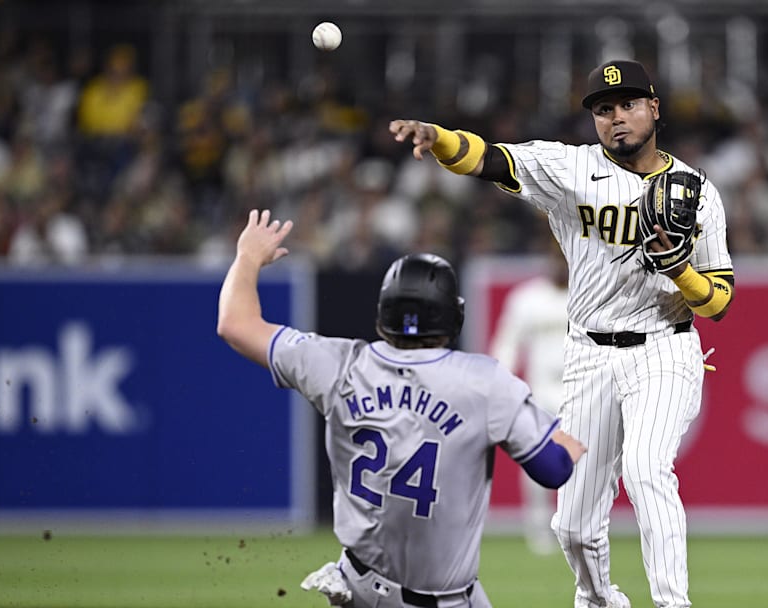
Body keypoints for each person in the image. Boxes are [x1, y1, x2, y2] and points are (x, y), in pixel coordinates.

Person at [389, 59, 735, 608]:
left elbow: (718, 300)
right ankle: (599, 599)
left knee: (647, 472)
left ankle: (674, 603)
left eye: (627, 105)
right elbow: (489, 158)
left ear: (654, 108)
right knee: (571, 524)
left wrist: (680, 271)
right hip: (589, 356)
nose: (616, 118)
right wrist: (439, 138)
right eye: (603, 109)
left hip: (664, 348)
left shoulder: (697, 191)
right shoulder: (570, 169)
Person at [216, 209, 588, 608]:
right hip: (442, 599)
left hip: (357, 587)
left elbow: (234, 324)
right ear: (453, 316)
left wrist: (248, 257)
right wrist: (573, 439)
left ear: (382, 316)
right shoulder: (484, 383)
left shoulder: (336, 364)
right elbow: (553, 469)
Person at [488, 235, 569, 555]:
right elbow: (507, 342)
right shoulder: (527, 298)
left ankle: (579, 526)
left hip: (582, 391)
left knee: (586, 465)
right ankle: (538, 528)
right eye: (555, 256)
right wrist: (503, 381)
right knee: (539, 461)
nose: (560, 263)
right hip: (540, 392)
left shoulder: (589, 294)